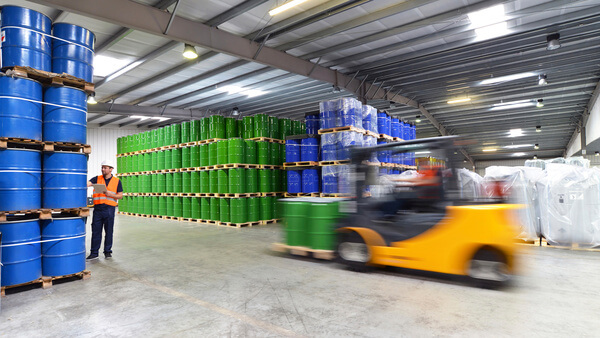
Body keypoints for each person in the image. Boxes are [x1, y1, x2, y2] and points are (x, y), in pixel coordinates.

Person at [86, 160, 123, 260]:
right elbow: (87, 184)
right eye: (102, 167)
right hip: (98, 209)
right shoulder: (97, 178)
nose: (103, 169)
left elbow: (120, 196)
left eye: (105, 168)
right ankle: (94, 253)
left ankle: (107, 251)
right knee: (96, 231)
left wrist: (110, 194)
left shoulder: (117, 181)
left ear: (111, 169)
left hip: (109, 209)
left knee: (109, 231)